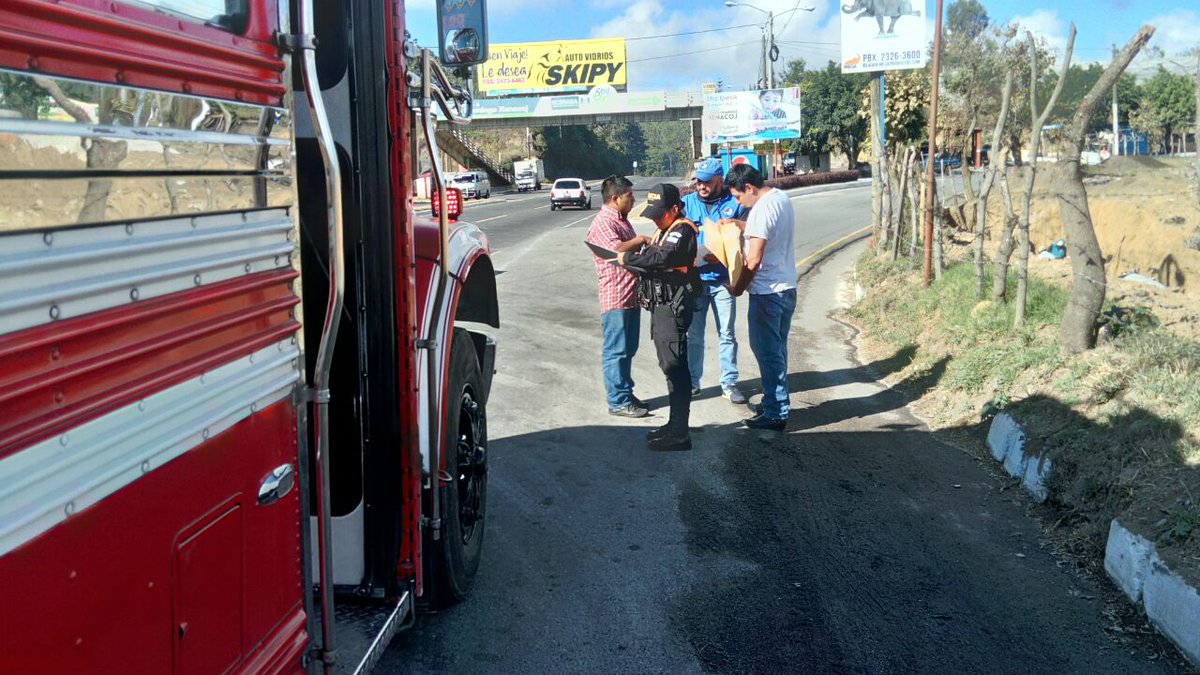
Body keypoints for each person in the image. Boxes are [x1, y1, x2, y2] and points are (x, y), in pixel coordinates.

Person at [615, 184, 699, 451]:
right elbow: (651, 256)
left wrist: (629, 257)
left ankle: (680, 433)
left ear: (674, 209)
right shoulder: (666, 228)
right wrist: (637, 258)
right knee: (669, 366)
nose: (654, 218)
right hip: (662, 308)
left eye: (658, 213)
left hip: (672, 309)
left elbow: (662, 256)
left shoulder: (683, 229)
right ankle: (675, 425)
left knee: (675, 367)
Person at [723, 164, 796, 431]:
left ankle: (776, 412)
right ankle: (773, 402)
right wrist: (739, 224)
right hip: (786, 288)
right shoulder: (779, 197)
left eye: (738, 196)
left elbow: (753, 259)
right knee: (777, 350)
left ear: (750, 188)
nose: (736, 201)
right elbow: (767, 231)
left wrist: (739, 287)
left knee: (767, 353)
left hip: (767, 293)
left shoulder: (761, 210)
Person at [682, 157, 748, 404]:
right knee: (694, 334)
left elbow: (751, 230)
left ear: (720, 180)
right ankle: (692, 382)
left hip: (723, 282)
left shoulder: (735, 203)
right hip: (696, 280)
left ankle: (729, 383)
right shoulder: (687, 203)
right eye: (698, 181)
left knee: (727, 333)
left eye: (707, 181)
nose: (701, 186)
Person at [586, 175, 651, 418]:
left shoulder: (621, 220)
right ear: (615, 198)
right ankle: (618, 401)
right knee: (617, 350)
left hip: (630, 295)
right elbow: (613, 250)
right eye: (629, 196)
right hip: (616, 296)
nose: (633, 200)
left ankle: (625, 392)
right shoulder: (604, 222)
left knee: (628, 348)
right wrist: (640, 239)